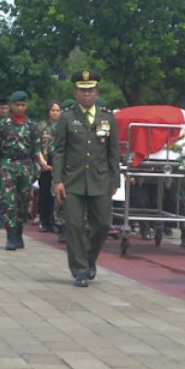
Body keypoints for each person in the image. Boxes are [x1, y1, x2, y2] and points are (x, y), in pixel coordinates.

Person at [53, 70, 121, 287]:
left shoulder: (107, 118)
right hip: (73, 180)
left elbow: (113, 152)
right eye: (82, 91)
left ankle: (90, 259)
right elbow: (59, 151)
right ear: (76, 93)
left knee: (102, 224)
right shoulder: (67, 117)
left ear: (96, 92)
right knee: (74, 225)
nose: (86, 95)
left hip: (100, 180)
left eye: (90, 90)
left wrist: (115, 180)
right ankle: (80, 270)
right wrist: (58, 181)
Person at [0, 91, 38, 250]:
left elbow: (36, 150)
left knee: (24, 201)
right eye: (17, 105)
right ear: (11, 106)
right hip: (8, 165)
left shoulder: (32, 126)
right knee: (8, 201)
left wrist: (36, 171)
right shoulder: (2, 125)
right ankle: (10, 236)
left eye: (23, 105)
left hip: (26, 165)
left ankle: (19, 232)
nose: (20, 108)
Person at [36, 101, 62, 234]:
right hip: (45, 161)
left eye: (58, 110)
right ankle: (44, 221)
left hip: (59, 162)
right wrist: (42, 162)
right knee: (45, 192)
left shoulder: (64, 126)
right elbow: (36, 145)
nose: (55, 113)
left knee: (57, 193)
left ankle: (55, 221)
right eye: (53, 110)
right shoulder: (42, 126)